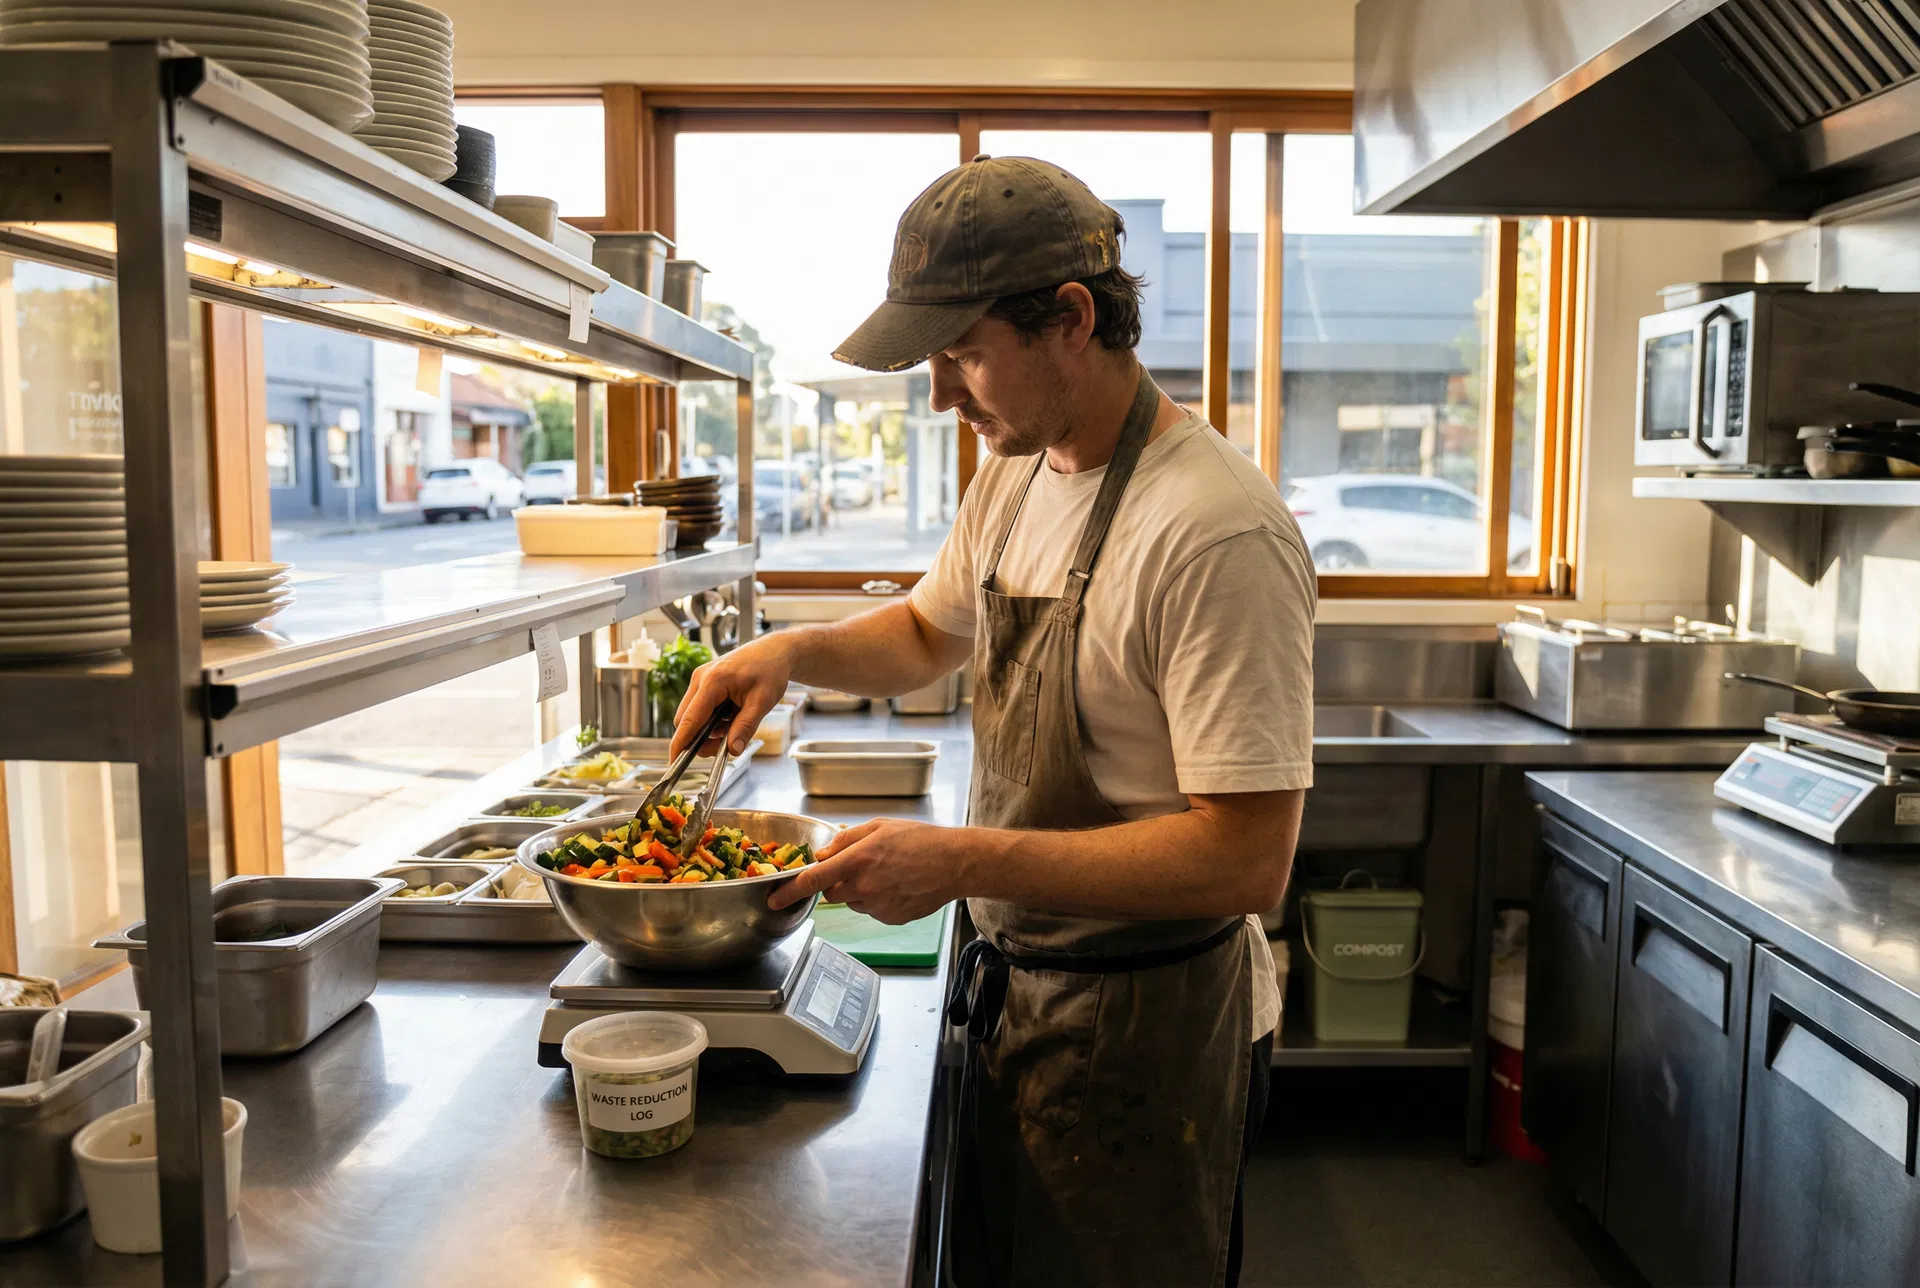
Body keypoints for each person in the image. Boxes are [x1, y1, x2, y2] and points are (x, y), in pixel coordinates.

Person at [671, 155, 1315, 1288]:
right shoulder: (1016, 476)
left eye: (962, 353)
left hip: (1148, 1028)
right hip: (1018, 992)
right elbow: (925, 631)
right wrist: (789, 652)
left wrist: (961, 858)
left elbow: (1247, 855)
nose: (939, 395)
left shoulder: (1212, 528)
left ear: (1071, 320)